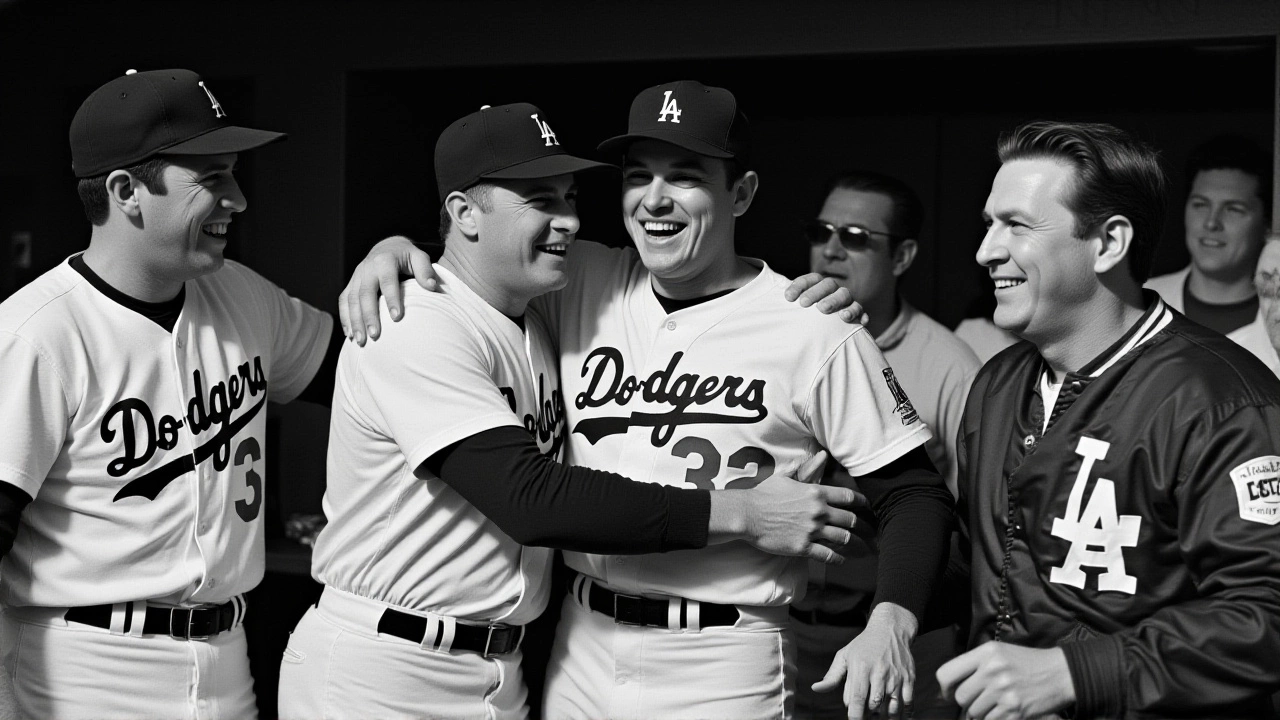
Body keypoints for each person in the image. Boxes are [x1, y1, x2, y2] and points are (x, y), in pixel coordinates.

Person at [349, 81, 955, 720]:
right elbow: (483, 247)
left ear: (740, 193)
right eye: (638, 176)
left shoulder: (812, 322)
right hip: (580, 645)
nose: (654, 199)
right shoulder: (578, 277)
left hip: (725, 655)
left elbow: (917, 492)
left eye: (685, 177)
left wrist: (894, 622)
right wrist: (394, 250)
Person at [0, 68, 339, 719]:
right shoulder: (36, 333)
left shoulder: (243, 294)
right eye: (212, 178)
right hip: (84, 671)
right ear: (127, 191)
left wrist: (398, 260)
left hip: (228, 659)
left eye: (234, 174)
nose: (238, 199)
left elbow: (371, 378)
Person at [936, 120, 1280, 719]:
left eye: (1016, 225)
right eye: (989, 224)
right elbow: (986, 564)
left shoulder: (1220, 397)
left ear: (1108, 243)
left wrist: (1077, 672)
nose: (986, 251)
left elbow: (1266, 615)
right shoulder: (997, 385)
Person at [796, 170, 980, 718]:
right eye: (821, 231)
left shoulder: (950, 366)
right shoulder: (780, 338)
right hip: (785, 631)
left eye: (855, 237)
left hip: (897, 641)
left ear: (901, 257)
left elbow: (983, 524)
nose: (830, 249)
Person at [1145, 135, 1279, 374]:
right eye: (1200, 204)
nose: (1211, 223)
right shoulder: (1138, 303)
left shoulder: (1275, 319)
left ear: (1267, 224)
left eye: (1233, 209)